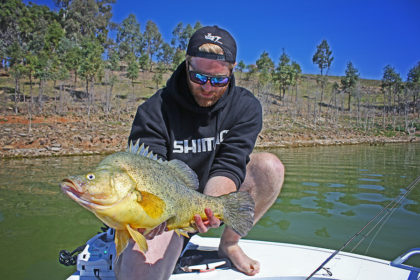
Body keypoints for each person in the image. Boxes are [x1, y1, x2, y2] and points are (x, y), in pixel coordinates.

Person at [115, 25, 284, 279]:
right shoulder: (153, 111)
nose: (207, 87)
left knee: (270, 168)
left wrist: (210, 208)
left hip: (208, 199)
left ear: (232, 69)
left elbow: (230, 164)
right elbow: (147, 175)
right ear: (187, 65)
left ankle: (229, 244)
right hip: (168, 209)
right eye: (198, 77)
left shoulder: (245, 107)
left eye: (218, 80)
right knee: (135, 276)